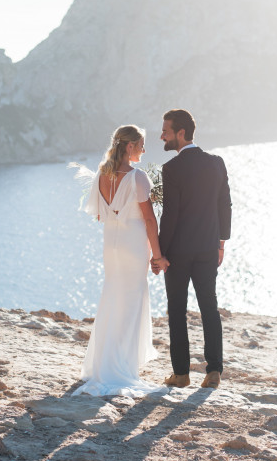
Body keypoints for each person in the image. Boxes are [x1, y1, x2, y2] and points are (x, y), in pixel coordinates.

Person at [73, 125, 166, 397]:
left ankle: (104, 363)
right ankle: (121, 367)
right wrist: (157, 255)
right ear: (129, 146)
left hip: (111, 245)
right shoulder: (137, 177)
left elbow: (99, 214)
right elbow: (150, 220)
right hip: (133, 244)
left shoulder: (102, 174)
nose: (144, 150)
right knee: (131, 302)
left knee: (113, 297)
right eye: (141, 145)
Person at [152, 109, 232, 389]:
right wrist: (221, 243)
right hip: (208, 247)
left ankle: (181, 374)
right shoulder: (216, 163)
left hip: (178, 252)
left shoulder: (172, 168)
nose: (162, 136)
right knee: (209, 306)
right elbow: (225, 205)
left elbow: (170, 215)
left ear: (181, 132)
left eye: (166, 131)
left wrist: (160, 254)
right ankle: (214, 371)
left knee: (177, 310)